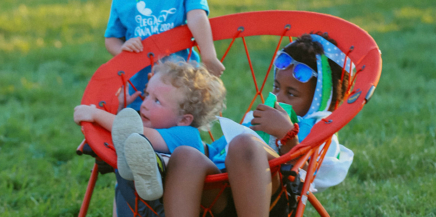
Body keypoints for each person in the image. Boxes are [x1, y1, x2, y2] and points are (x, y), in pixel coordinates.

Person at [130, 33, 352, 217]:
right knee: (185, 154)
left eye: (291, 94)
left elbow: (309, 178)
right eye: (276, 87)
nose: (279, 98)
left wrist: (287, 135)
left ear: (318, 99)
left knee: (245, 144)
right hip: (220, 192)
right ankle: (160, 162)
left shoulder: (320, 127)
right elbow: (215, 151)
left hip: (272, 196)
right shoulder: (256, 117)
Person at [74, 58, 226, 217]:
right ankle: (129, 162)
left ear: (184, 120)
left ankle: (146, 163)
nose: (145, 104)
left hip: (173, 207)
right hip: (137, 203)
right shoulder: (148, 127)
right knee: (126, 161)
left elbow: (135, 131)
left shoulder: (188, 136)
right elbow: (127, 132)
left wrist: (96, 114)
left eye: (157, 101)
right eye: (146, 94)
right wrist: (118, 110)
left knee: (134, 146)